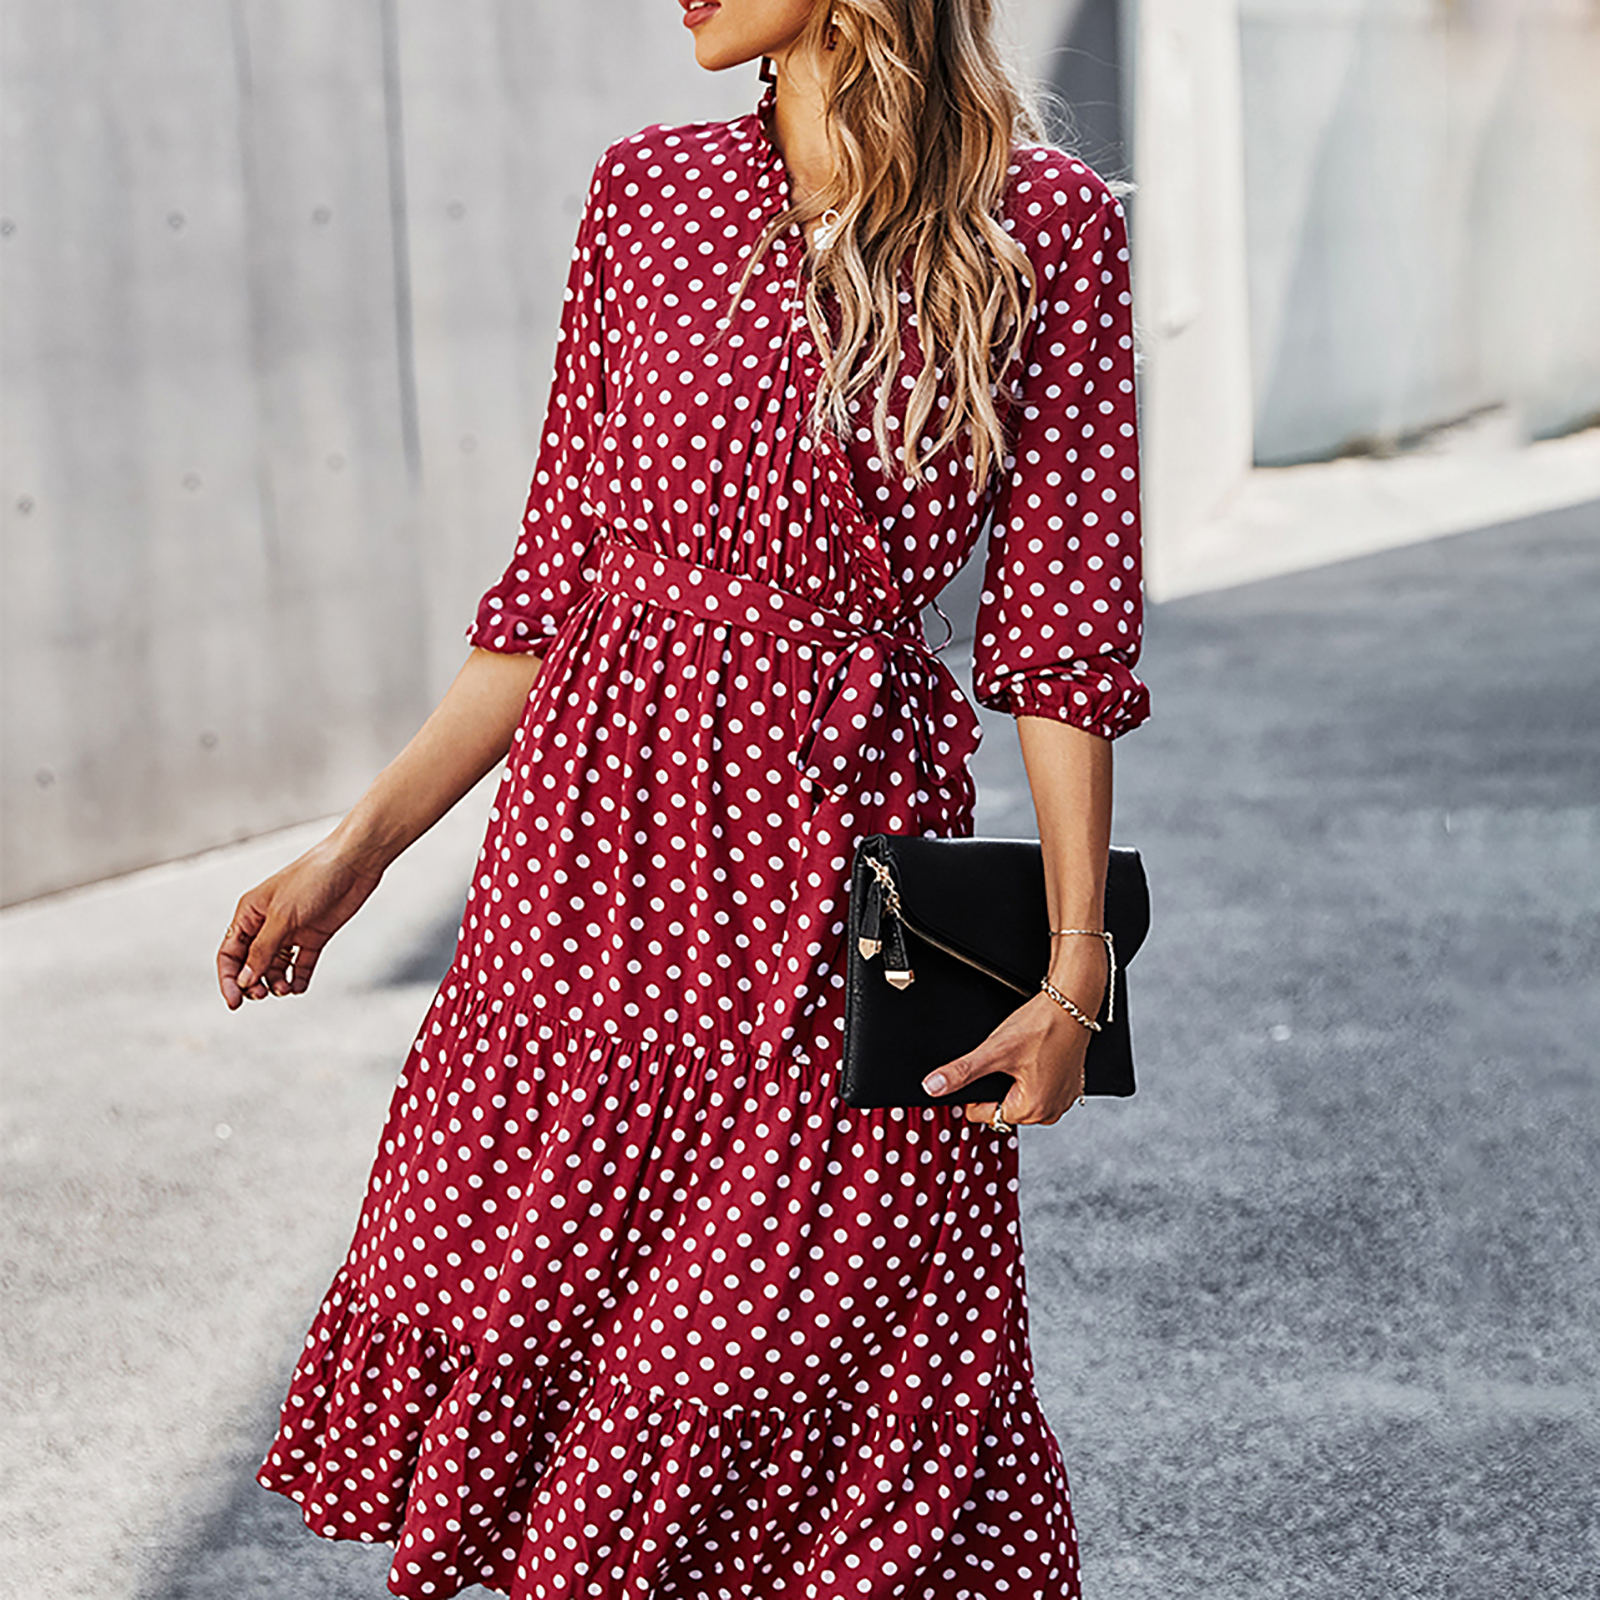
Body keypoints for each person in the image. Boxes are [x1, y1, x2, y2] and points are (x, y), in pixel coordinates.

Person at [216, 1, 1148, 1594]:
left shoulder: (1045, 223)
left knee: (802, 1348)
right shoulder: (645, 190)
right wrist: (359, 848)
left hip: (835, 860)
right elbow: (550, 587)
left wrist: (1078, 969)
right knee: (557, 1329)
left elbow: (1061, 635)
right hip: (590, 866)